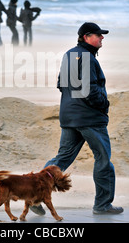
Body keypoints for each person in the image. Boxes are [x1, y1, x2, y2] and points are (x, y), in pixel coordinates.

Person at [31, 22, 124, 216]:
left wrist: (74, 104)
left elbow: (61, 84)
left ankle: (34, 195)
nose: (102, 38)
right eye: (98, 35)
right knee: (103, 160)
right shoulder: (87, 57)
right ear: (86, 37)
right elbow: (88, 89)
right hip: (89, 118)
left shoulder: (71, 54)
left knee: (61, 159)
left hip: (70, 116)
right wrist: (103, 104)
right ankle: (102, 205)